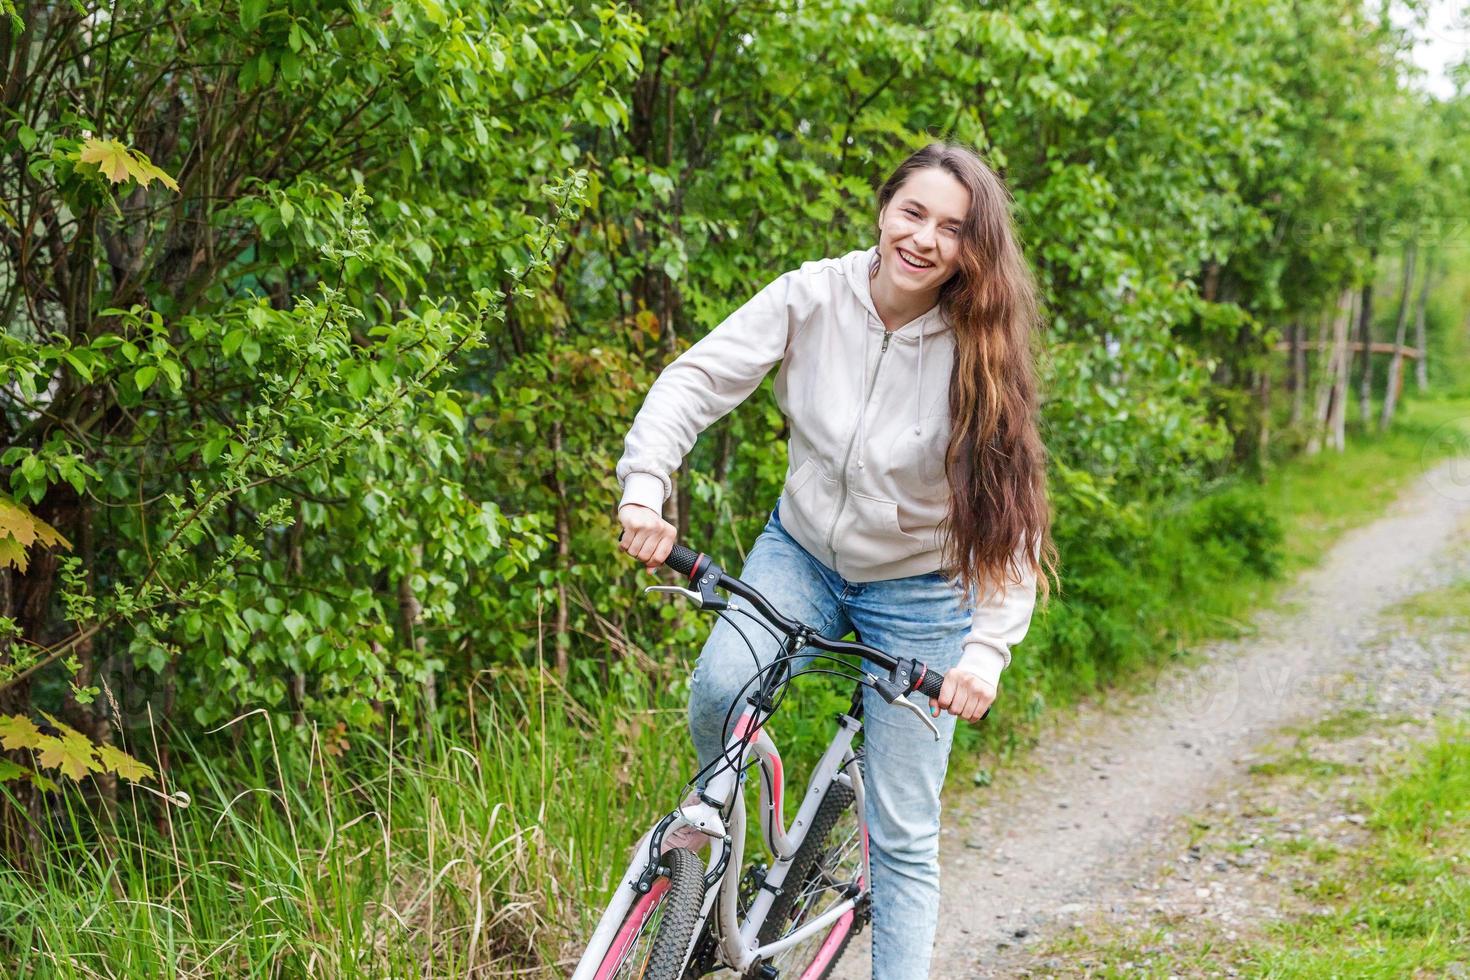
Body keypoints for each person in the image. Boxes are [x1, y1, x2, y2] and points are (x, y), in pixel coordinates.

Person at [614, 141, 1055, 980]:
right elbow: (696, 380)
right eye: (913, 212)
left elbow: (1011, 524)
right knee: (718, 689)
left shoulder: (979, 352)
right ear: (885, 208)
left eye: (952, 229)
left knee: (902, 836)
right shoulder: (811, 296)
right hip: (802, 554)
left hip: (922, 591)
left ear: (973, 250)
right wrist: (645, 487)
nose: (924, 239)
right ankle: (725, 865)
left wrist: (984, 654)